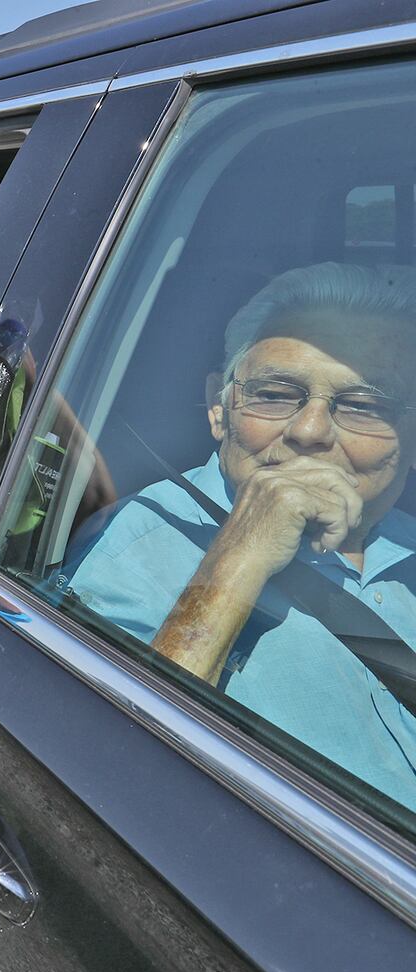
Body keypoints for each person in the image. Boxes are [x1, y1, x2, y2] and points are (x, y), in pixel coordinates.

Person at [65, 262, 416, 809]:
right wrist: (241, 556)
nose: (308, 432)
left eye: (365, 406)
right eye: (275, 395)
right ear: (218, 407)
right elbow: (117, 783)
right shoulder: (136, 542)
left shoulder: (408, 545)